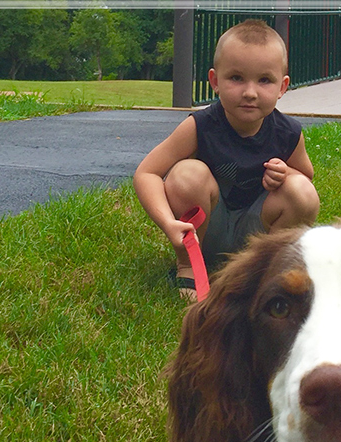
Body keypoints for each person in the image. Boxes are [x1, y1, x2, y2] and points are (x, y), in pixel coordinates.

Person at [134, 19, 320, 300]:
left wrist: (286, 174)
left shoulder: (288, 134)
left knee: (302, 193)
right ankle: (189, 266)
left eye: (264, 80)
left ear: (282, 87)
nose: (250, 92)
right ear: (215, 81)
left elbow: (305, 177)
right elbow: (146, 173)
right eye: (236, 78)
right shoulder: (200, 126)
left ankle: (264, 268)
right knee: (187, 173)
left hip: (257, 231)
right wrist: (167, 223)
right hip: (206, 230)